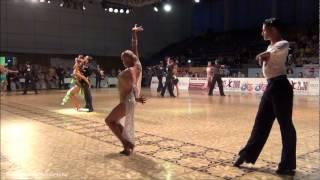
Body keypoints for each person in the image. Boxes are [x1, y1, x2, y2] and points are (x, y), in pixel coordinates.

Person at [234, 18, 297, 176]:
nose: (262, 32)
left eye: (264, 29)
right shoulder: (271, 45)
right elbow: (267, 54)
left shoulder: (283, 43)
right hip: (271, 86)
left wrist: (263, 55)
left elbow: (268, 54)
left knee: (285, 125)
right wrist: (264, 55)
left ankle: (287, 165)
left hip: (281, 87)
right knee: (260, 122)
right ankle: (247, 154)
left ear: (273, 29)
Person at [105, 24, 146, 156]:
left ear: (129, 59)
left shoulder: (131, 69)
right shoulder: (137, 64)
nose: (122, 61)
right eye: (122, 59)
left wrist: (137, 96)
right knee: (114, 121)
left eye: (124, 59)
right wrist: (134, 33)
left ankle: (127, 145)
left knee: (109, 121)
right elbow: (135, 47)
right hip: (129, 99)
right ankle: (128, 143)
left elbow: (134, 83)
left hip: (128, 100)